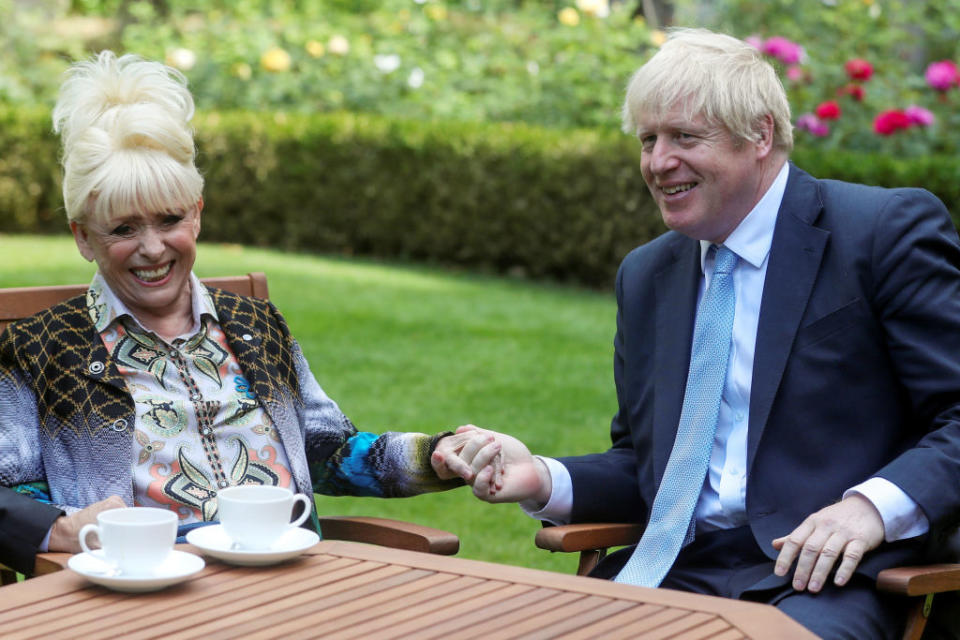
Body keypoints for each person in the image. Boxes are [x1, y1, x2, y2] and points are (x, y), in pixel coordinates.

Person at [434, 28, 960, 639]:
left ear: (760, 135)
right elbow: (651, 464)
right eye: (648, 140)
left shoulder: (880, 232)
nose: (659, 162)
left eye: (685, 136)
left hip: (824, 581)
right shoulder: (647, 273)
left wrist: (869, 509)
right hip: (673, 569)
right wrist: (542, 477)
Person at [0, 51, 468, 573]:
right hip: (148, 589)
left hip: (290, 579)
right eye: (124, 229)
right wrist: (63, 527)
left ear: (197, 216)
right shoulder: (39, 348)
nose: (153, 248)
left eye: (169, 219)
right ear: (84, 237)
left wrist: (437, 455)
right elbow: (9, 491)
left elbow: (329, 454)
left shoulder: (257, 325)